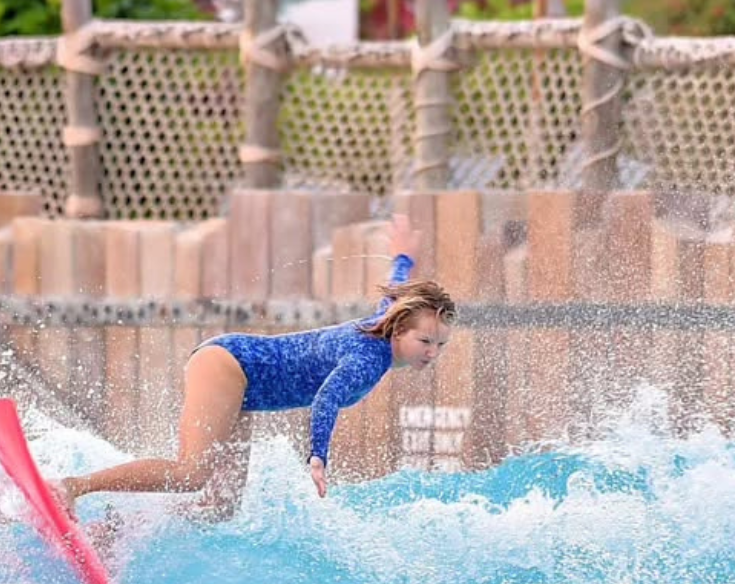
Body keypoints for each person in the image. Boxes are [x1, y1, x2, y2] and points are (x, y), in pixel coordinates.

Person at [56, 213, 456, 520]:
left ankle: (121, 526)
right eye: (425, 341)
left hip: (243, 389)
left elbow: (397, 283)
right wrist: (318, 456)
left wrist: (403, 257)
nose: (432, 352)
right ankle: (71, 487)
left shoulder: (385, 320)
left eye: (440, 344)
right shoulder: (371, 358)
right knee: (191, 473)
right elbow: (327, 398)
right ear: (399, 331)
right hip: (232, 365)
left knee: (219, 506)